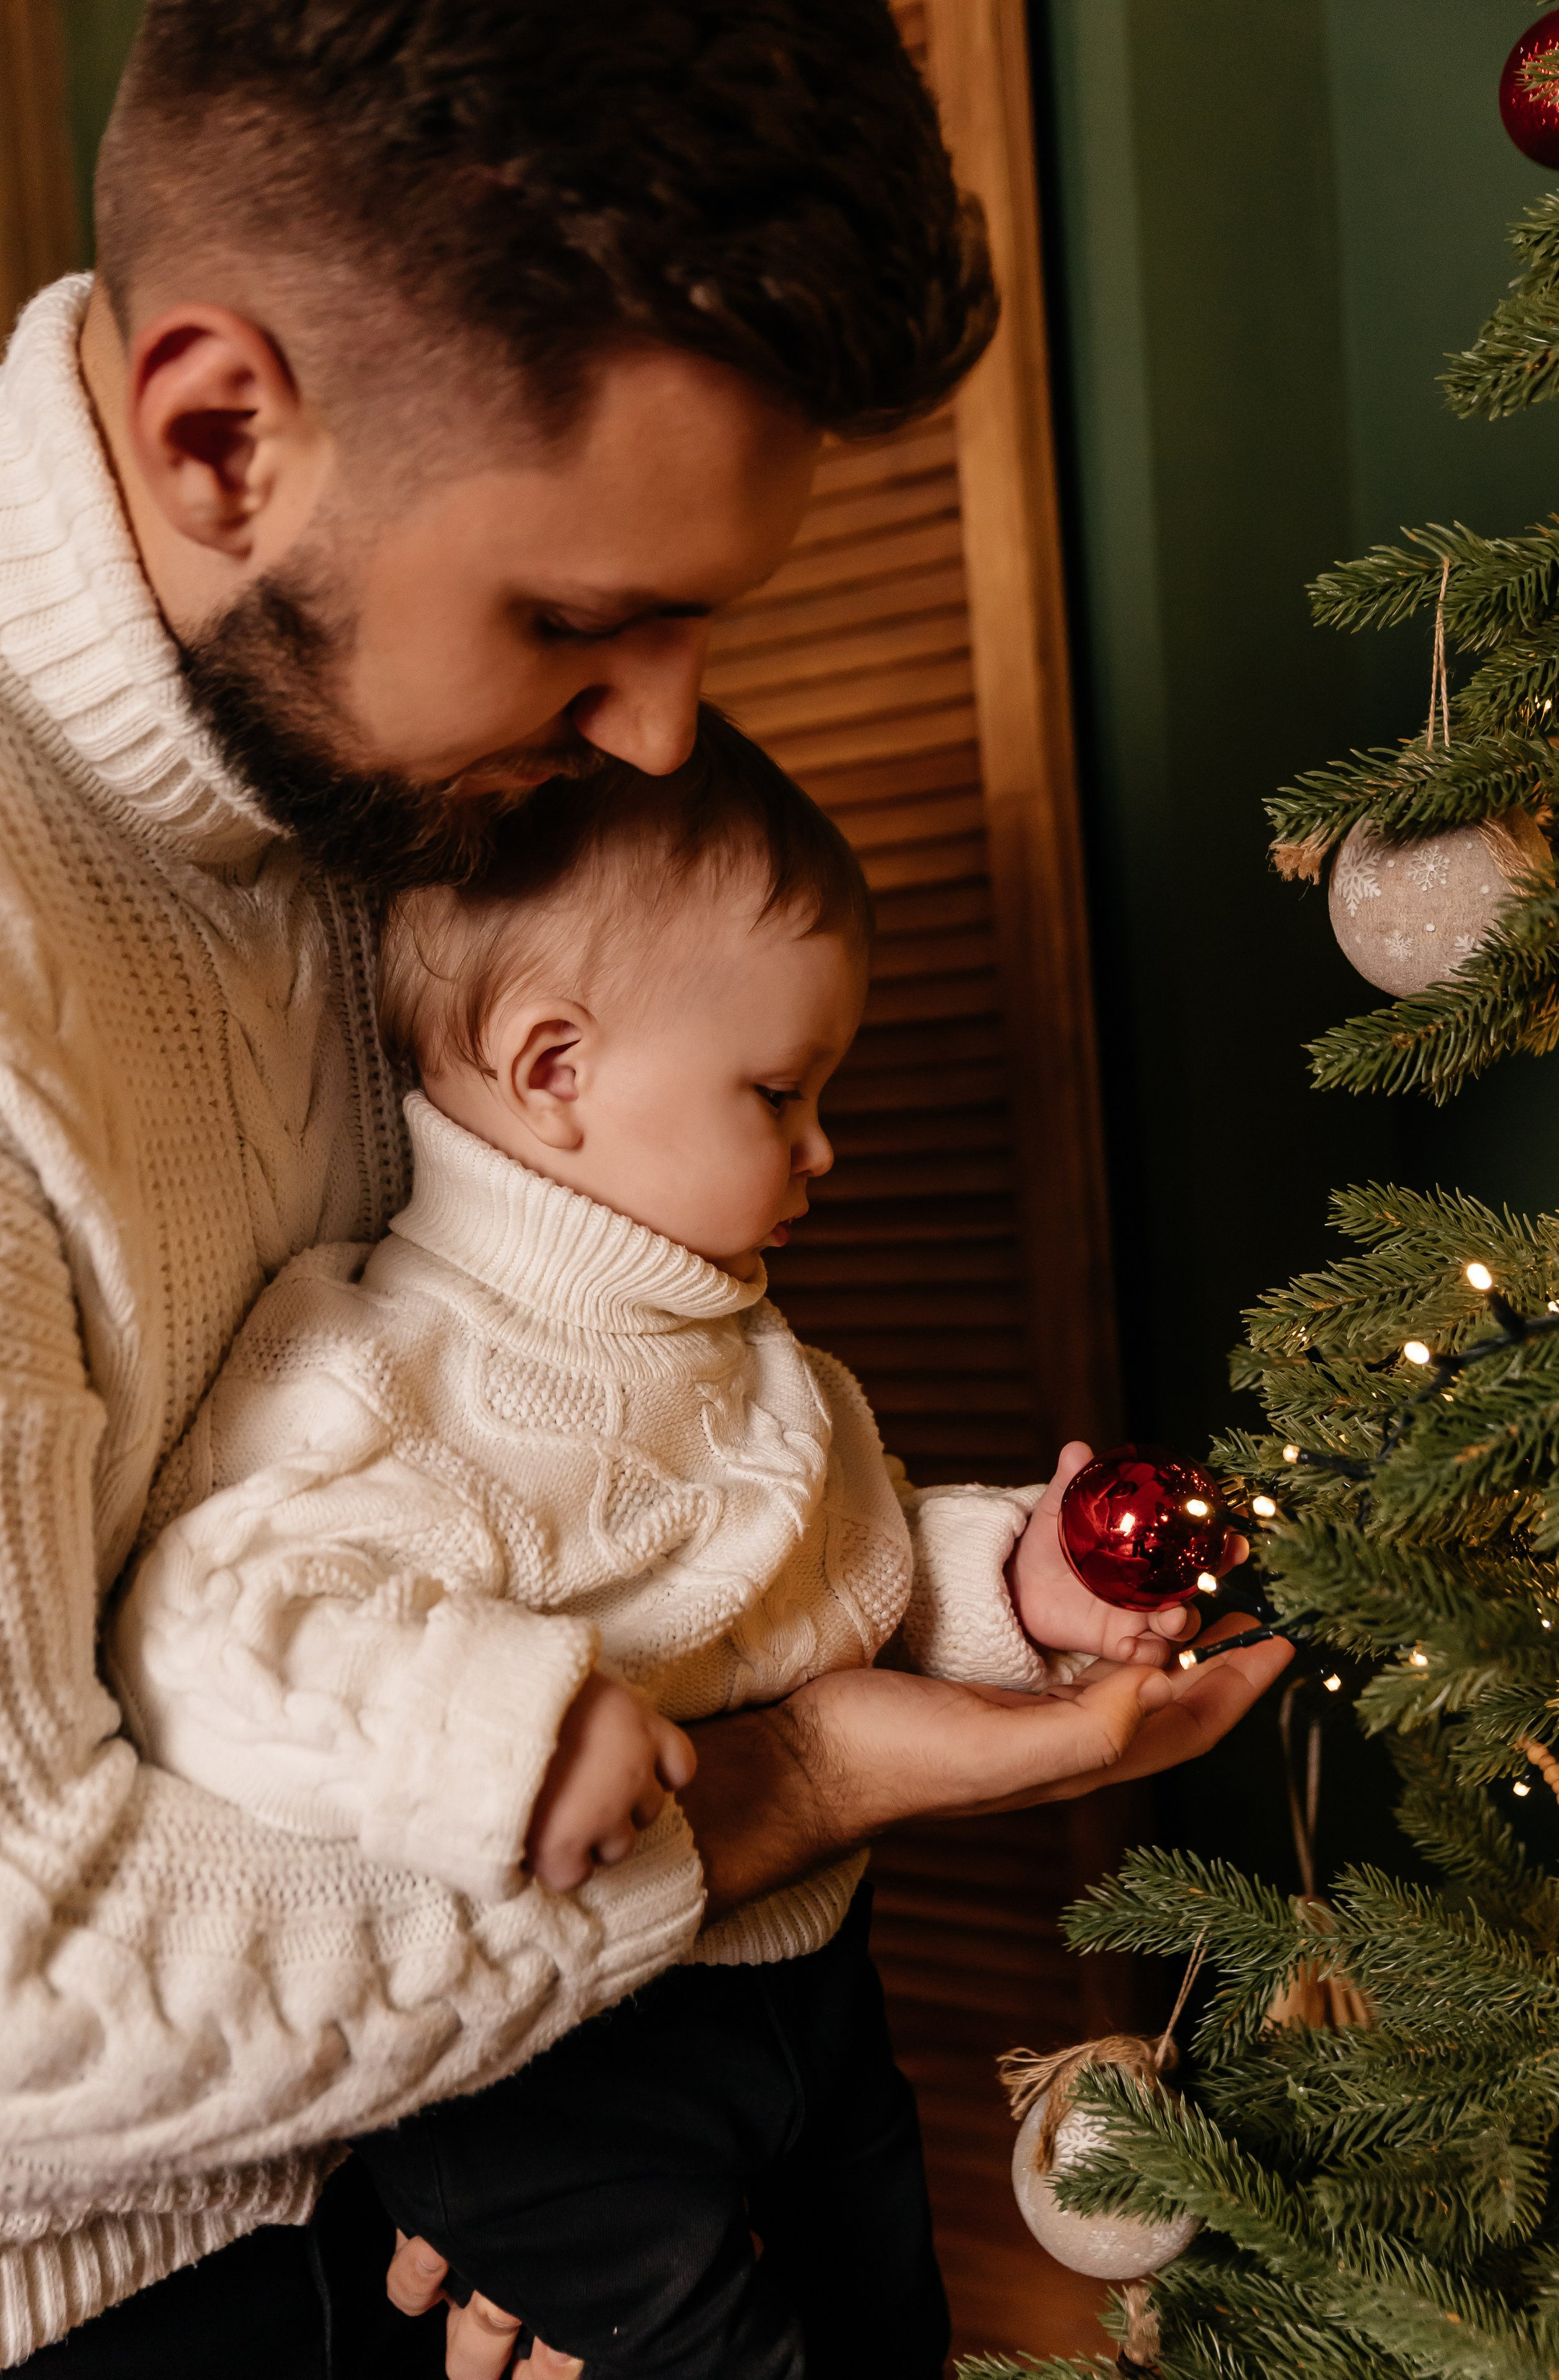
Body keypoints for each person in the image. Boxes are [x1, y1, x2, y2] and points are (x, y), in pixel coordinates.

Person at [0, 0, 1290, 2369]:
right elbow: (21, 2020)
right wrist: (776, 1784)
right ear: (217, 436)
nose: (668, 734)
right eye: (580, 622)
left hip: (452, 2174)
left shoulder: (404, 810)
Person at [108, 710, 1208, 2378]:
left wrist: (1017, 1583)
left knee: (890, 2315)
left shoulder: (757, 1360)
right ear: (559, 1071)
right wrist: (511, 1726)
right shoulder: (384, 1365)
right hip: (564, 2057)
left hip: (813, 1986)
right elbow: (214, 1627)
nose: (825, 1147)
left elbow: (848, 1585)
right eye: (782, 1092)